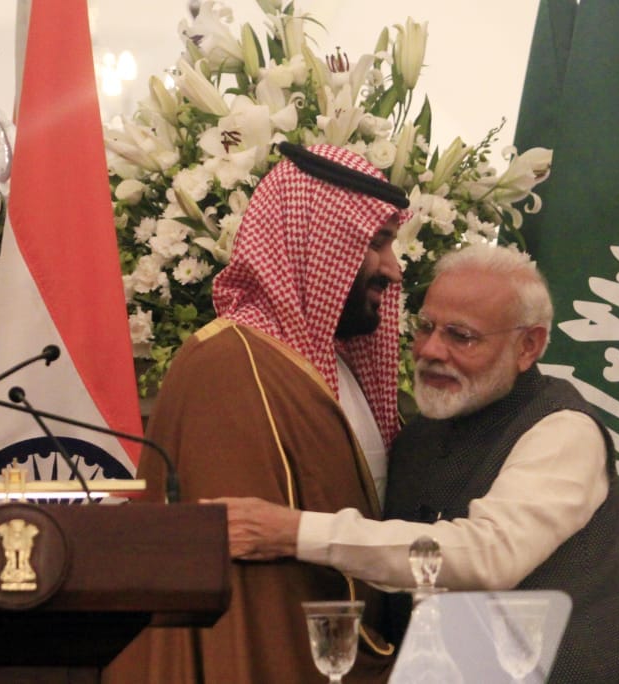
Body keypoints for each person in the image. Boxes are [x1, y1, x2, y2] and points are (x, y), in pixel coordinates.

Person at [225, 244, 619, 683]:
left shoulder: (563, 431)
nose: (431, 350)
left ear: (528, 346)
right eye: (425, 327)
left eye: (461, 336)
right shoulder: (420, 435)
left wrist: (293, 532)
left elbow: (488, 555)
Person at [103, 142, 410, 684]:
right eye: (377, 243)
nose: (395, 269)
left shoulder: (335, 365)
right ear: (317, 242)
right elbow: (242, 587)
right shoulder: (227, 364)